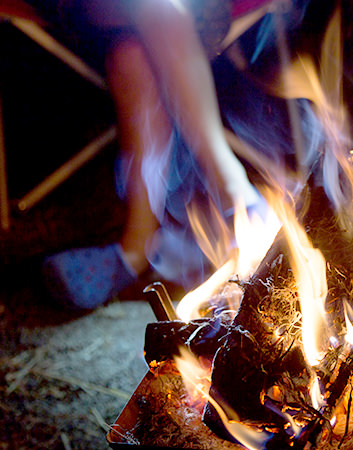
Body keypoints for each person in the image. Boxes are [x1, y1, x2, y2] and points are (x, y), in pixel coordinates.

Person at [40, 0, 275, 310]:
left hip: (193, 12)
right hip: (94, 12)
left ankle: (138, 246)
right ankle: (235, 193)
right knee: (154, 10)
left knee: (134, 51)